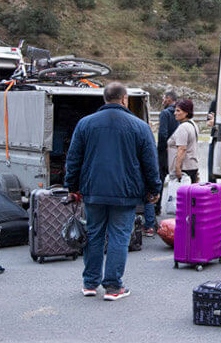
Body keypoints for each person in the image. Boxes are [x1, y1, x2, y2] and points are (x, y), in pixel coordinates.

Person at [65, 82, 161, 301]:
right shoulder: (139, 126)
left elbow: (73, 159)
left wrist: (72, 187)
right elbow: (150, 163)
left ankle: (90, 284)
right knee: (119, 236)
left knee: (94, 234)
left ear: (105, 98)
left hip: (93, 191)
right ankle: (112, 287)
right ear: (125, 99)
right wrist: (153, 189)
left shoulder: (85, 124)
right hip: (125, 192)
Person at [143, 90, 177, 235]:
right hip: (177, 151)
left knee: (160, 179)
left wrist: (161, 149)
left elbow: (162, 134)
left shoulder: (165, 113)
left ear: (169, 99)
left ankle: (156, 208)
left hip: (165, 152)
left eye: (163, 97)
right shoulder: (180, 113)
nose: (163, 100)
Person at [167, 99, 200, 186]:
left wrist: (177, 168)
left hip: (184, 168)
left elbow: (182, 148)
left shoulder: (183, 127)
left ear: (186, 112)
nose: (175, 113)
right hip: (192, 166)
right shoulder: (193, 124)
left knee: (182, 197)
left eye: (178, 111)